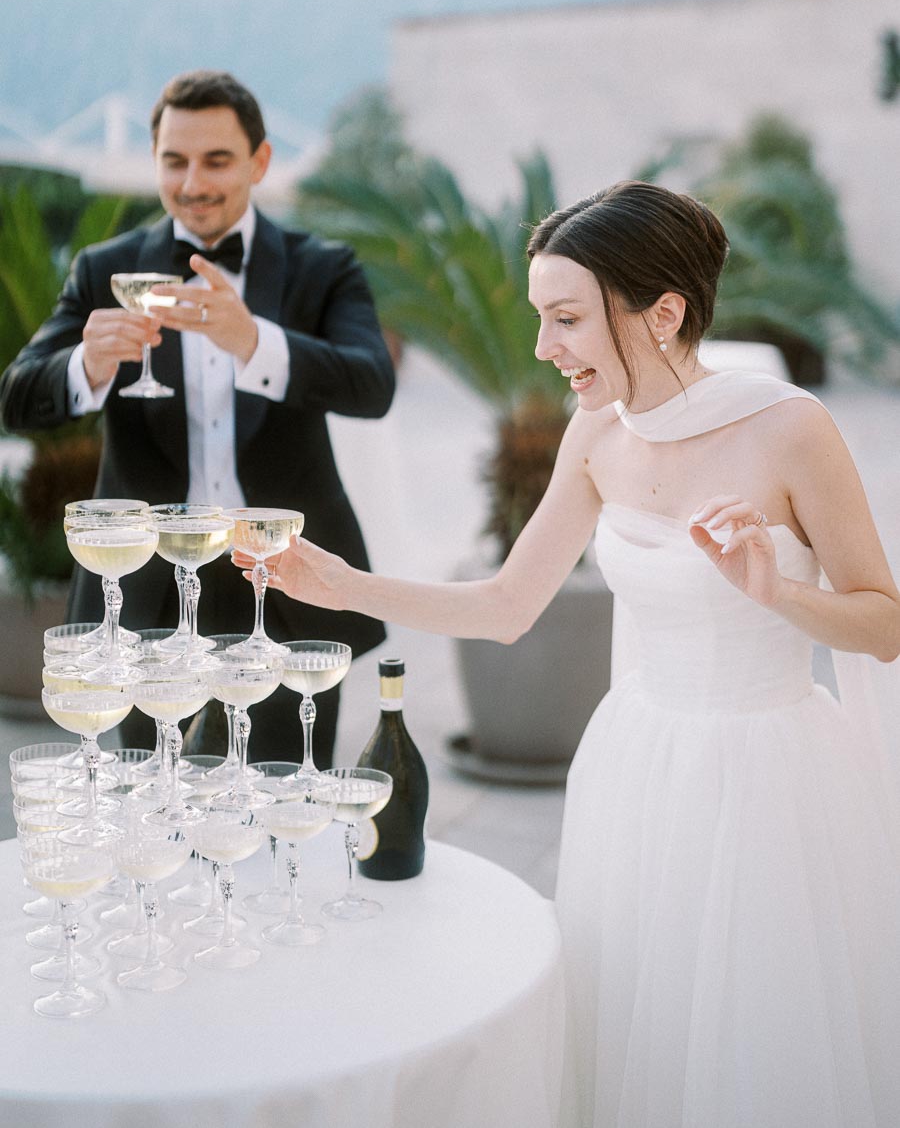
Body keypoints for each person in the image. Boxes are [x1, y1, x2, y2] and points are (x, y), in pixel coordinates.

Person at [234, 180, 900, 1128]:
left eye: (567, 319)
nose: (545, 349)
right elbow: (508, 604)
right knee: (638, 1023)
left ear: (663, 313)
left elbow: (884, 621)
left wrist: (781, 594)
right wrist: (343, 586)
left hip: (771, 780)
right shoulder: (596, 432)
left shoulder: (791, 429)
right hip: (634, 767)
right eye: (542, 319)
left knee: (756, 1042)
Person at [0, 69, 395, 765]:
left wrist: (255, 342)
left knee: (280, 793)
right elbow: (17, 397)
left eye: (216, 160)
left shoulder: (322, 268)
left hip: (285, 585)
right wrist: (87, 366)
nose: (193, 183)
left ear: (259, 161)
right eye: (174, 161)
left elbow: (372, 387)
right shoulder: (107, 268)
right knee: (152, 804)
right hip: (145, 597)